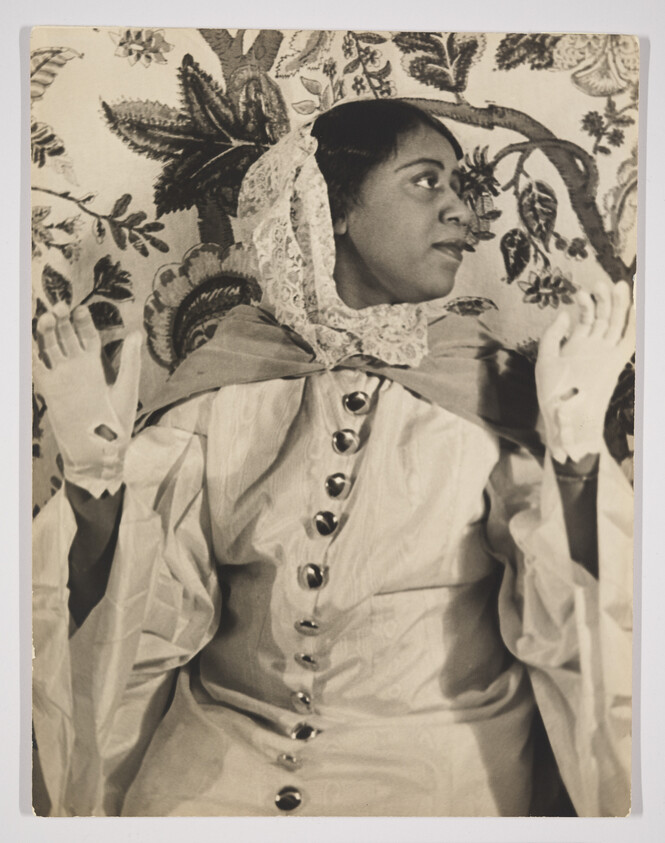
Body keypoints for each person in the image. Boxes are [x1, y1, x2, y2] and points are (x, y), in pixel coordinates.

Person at [32, 99, 634, 818]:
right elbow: (133, 618)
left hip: (430, 775)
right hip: (215, 769)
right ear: (332, 206)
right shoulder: (226, 379)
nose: (462, 215)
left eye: (459, 189)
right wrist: (94, 482)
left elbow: (583, 627)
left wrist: (574, 455)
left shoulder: (484, 387)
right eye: (425, 181)